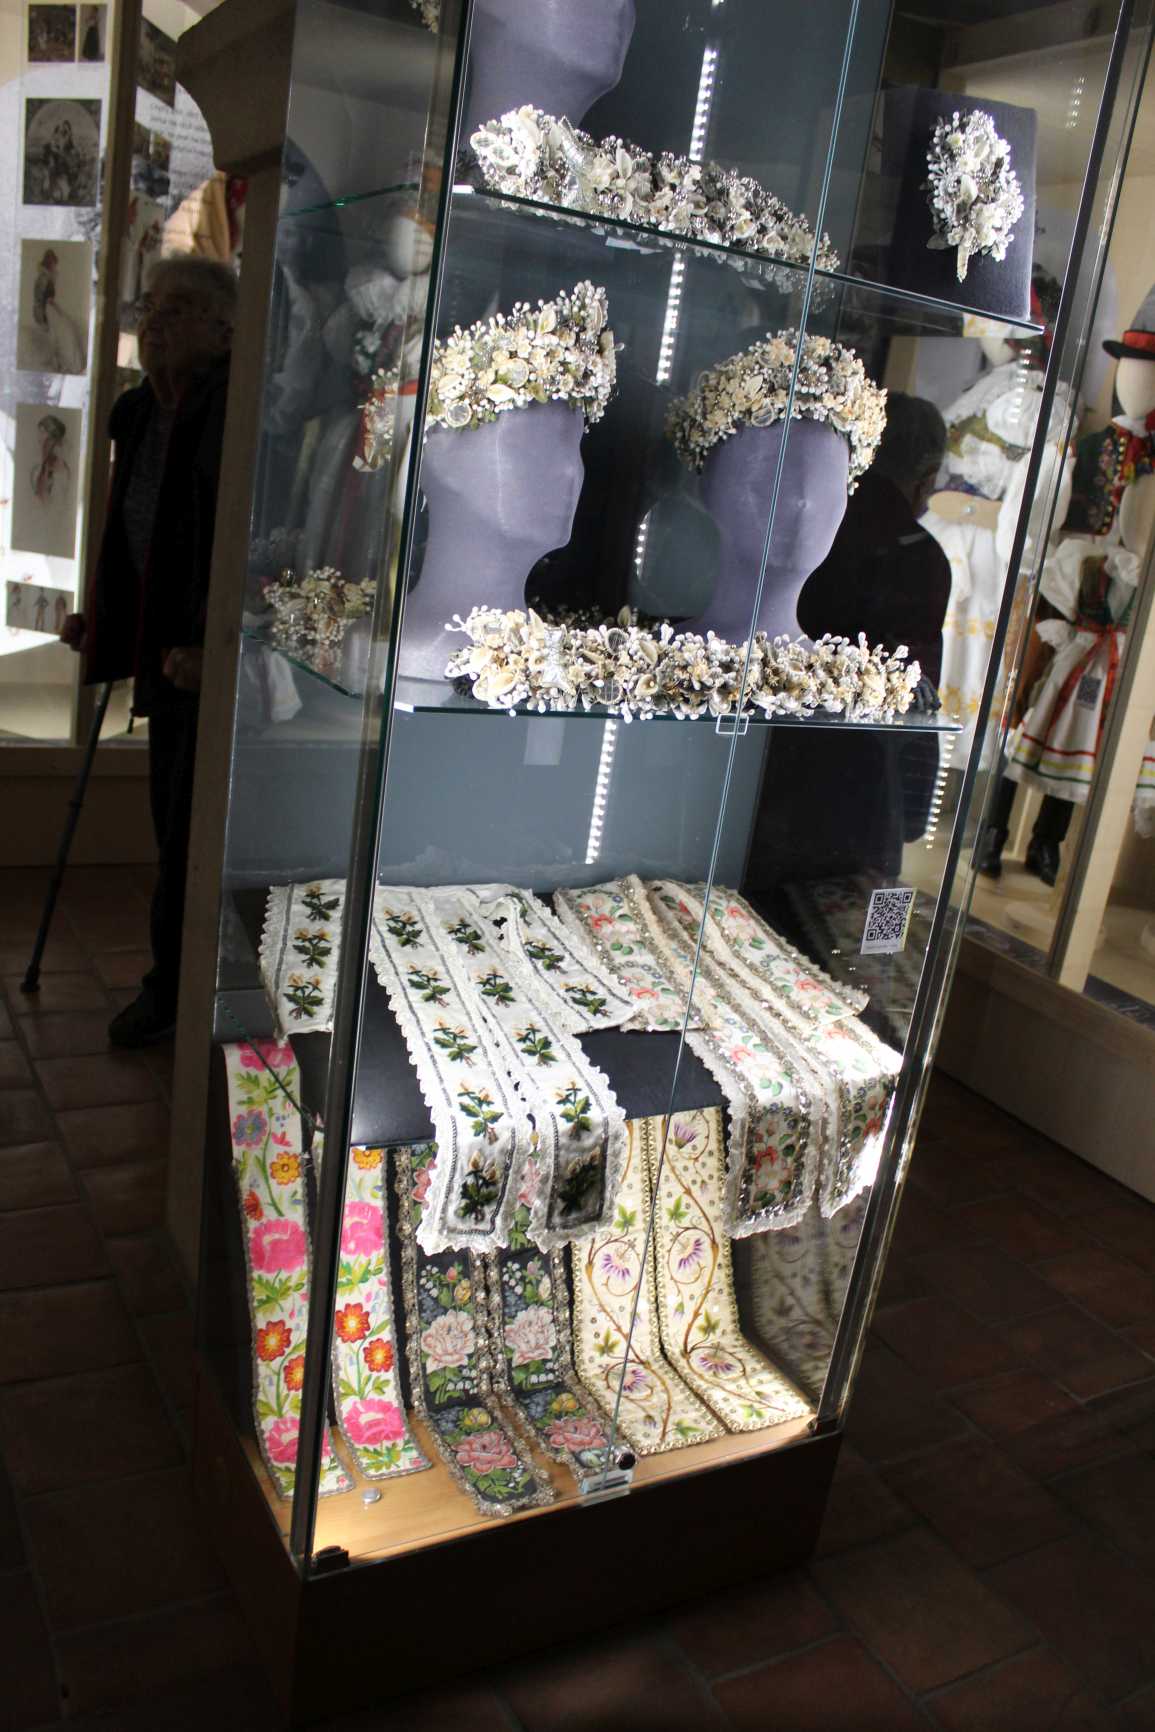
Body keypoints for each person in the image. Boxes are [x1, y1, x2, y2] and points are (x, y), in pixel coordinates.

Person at [61, 253, 236, 1046]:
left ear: (225, 330)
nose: (155, 321)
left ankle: (176, 993)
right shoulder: (139, 413)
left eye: (179, 307)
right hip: (166, 660)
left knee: (192, 835)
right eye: (151, 306)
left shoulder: (232, 411)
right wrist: (106, 620)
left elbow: (237, 547)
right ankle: (176, 986)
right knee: (173, 826)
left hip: (212, 662)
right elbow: (132, 536)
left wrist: (215, 646)